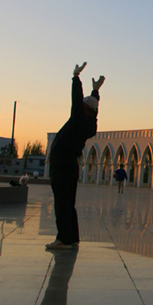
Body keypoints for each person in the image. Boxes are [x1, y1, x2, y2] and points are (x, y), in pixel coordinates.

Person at [46, 63, 105, 250]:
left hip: (62, 163)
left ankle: (63, 238)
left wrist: (75, 78)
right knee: (68, 202)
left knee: (62, 202)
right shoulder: (91, 124)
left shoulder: (79, 120)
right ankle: (71, 237)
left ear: (84, 108)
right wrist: (95, 91)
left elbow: (76, 100)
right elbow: (93, 109)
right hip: (70, 164)